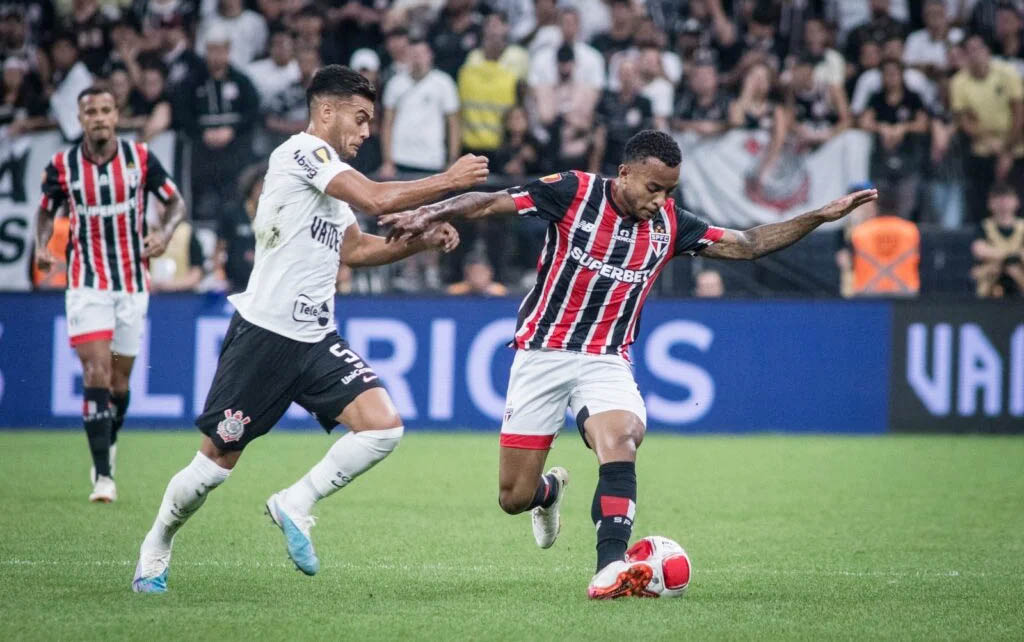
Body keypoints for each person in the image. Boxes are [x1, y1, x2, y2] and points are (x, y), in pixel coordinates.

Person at [382, 129, 877, 599]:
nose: (660, 200)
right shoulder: (573, 191)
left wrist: (820, 215)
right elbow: (490, 201)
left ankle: (609, 569)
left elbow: (748, 245)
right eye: (654, 188)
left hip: (606, 359)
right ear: (624, 173)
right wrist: (431, 213)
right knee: (513, 496)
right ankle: (549, 492)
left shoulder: (671, 225)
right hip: (543, 354)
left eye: (669, 191)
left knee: (620, 439)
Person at [131, 65, 489, 594]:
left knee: (383, 427)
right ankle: (157, 542)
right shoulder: (301, 153)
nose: (367, 132)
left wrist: (423, 241)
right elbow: (377, 201)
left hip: (317, 337)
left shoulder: (333, 180)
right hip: (266, 335)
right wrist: (448, 183)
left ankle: (295, 501)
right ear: (326, 111)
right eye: (361, 118)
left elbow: (357, 248)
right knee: (213, 467)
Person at [34, 85, 187, 503]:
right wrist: (40, 245)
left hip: (132, 284)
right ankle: (103, 476)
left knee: (119, 384)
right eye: (91, 112)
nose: (99, 118)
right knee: (96, 373)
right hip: (86, 283)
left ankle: (108, 441)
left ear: (116, 115)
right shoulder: (62, 166)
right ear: (80, 118)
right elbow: (46, 210)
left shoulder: (139, 159)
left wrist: (165, 232)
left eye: (105, 110)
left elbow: (176, 204)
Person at [951, 32, 1024, 222]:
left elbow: (1019, 113)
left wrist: (1006, 150)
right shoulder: (959, 82)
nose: (975, 54)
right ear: (965, 55)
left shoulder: (1008, 73)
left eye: (979, 48)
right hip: (982, 147)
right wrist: (988, 142)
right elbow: (964, 120)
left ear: (988, 51)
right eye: (970, 50)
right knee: (981, 199)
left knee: (1017, 198)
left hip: (1014, 145)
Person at [859, 59, 929, 220]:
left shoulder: (912, 97)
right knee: (879, 206)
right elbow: (864, 122)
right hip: (881, 160)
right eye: (887, 74)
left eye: (894, 73)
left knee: (905, 209)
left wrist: (903, 128)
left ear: (901, 75)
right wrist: (881, 127)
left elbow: (923, 125)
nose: (891, 78)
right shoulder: (877, 97)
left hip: (908, 159)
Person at [971, 183, 1024, 297]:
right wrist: (1011, 257)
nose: (1003, 203)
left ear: (1016, 202)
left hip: (1019, 279)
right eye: (999, 198)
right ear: (990, 203)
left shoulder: (1022, 227)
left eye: (1007, 198)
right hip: (991, 282)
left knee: (1014, 270)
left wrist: (1003, 259)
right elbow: (979, 250)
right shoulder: (985, 227)